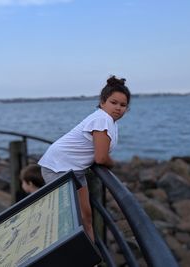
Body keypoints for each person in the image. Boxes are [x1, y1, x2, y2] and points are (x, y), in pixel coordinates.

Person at [38, 75, 131, 241]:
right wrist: (113, 164)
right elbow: (101, 158)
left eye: (123, 105)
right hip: (57, 167)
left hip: (74, 169)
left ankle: (91, 258)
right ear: (103, 102)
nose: (118, 108)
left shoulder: (109, 120)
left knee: (86, 216)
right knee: (70, 222)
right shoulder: (103, 119)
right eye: (113, 102)